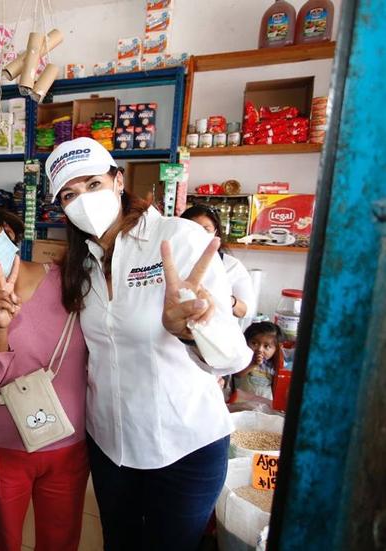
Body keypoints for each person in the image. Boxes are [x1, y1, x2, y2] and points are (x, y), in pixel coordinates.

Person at [45, 137, 252, 551]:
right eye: (69, 194)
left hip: (185, 446)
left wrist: (191, 328)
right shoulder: (80, 263)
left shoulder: (178, 240)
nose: (82, 200)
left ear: (118, 181)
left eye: (92, 184)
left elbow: (232, 356)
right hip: (111, 446)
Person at [0, 204, 90, 551]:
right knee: (2, 539)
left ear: (8, 230)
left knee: (61, 538)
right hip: (4, 446)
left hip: (69, 441)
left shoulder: (66, 277)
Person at [181, 204, 257, 327]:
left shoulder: (231, 265)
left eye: (206, 229)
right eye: (193, 229)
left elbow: (246, 311)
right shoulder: (170, 262)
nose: (199, 234)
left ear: (215, 233)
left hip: (216, 336)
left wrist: (226, 299)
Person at [235, 321, 283, 400]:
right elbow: (238, 375)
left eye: (266, 346)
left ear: (276, 349)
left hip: (265, 404)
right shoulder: (244, 359)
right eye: (254, 343)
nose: (260, 349)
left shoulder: (274, 365)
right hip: (241, 401)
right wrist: (253, 364)